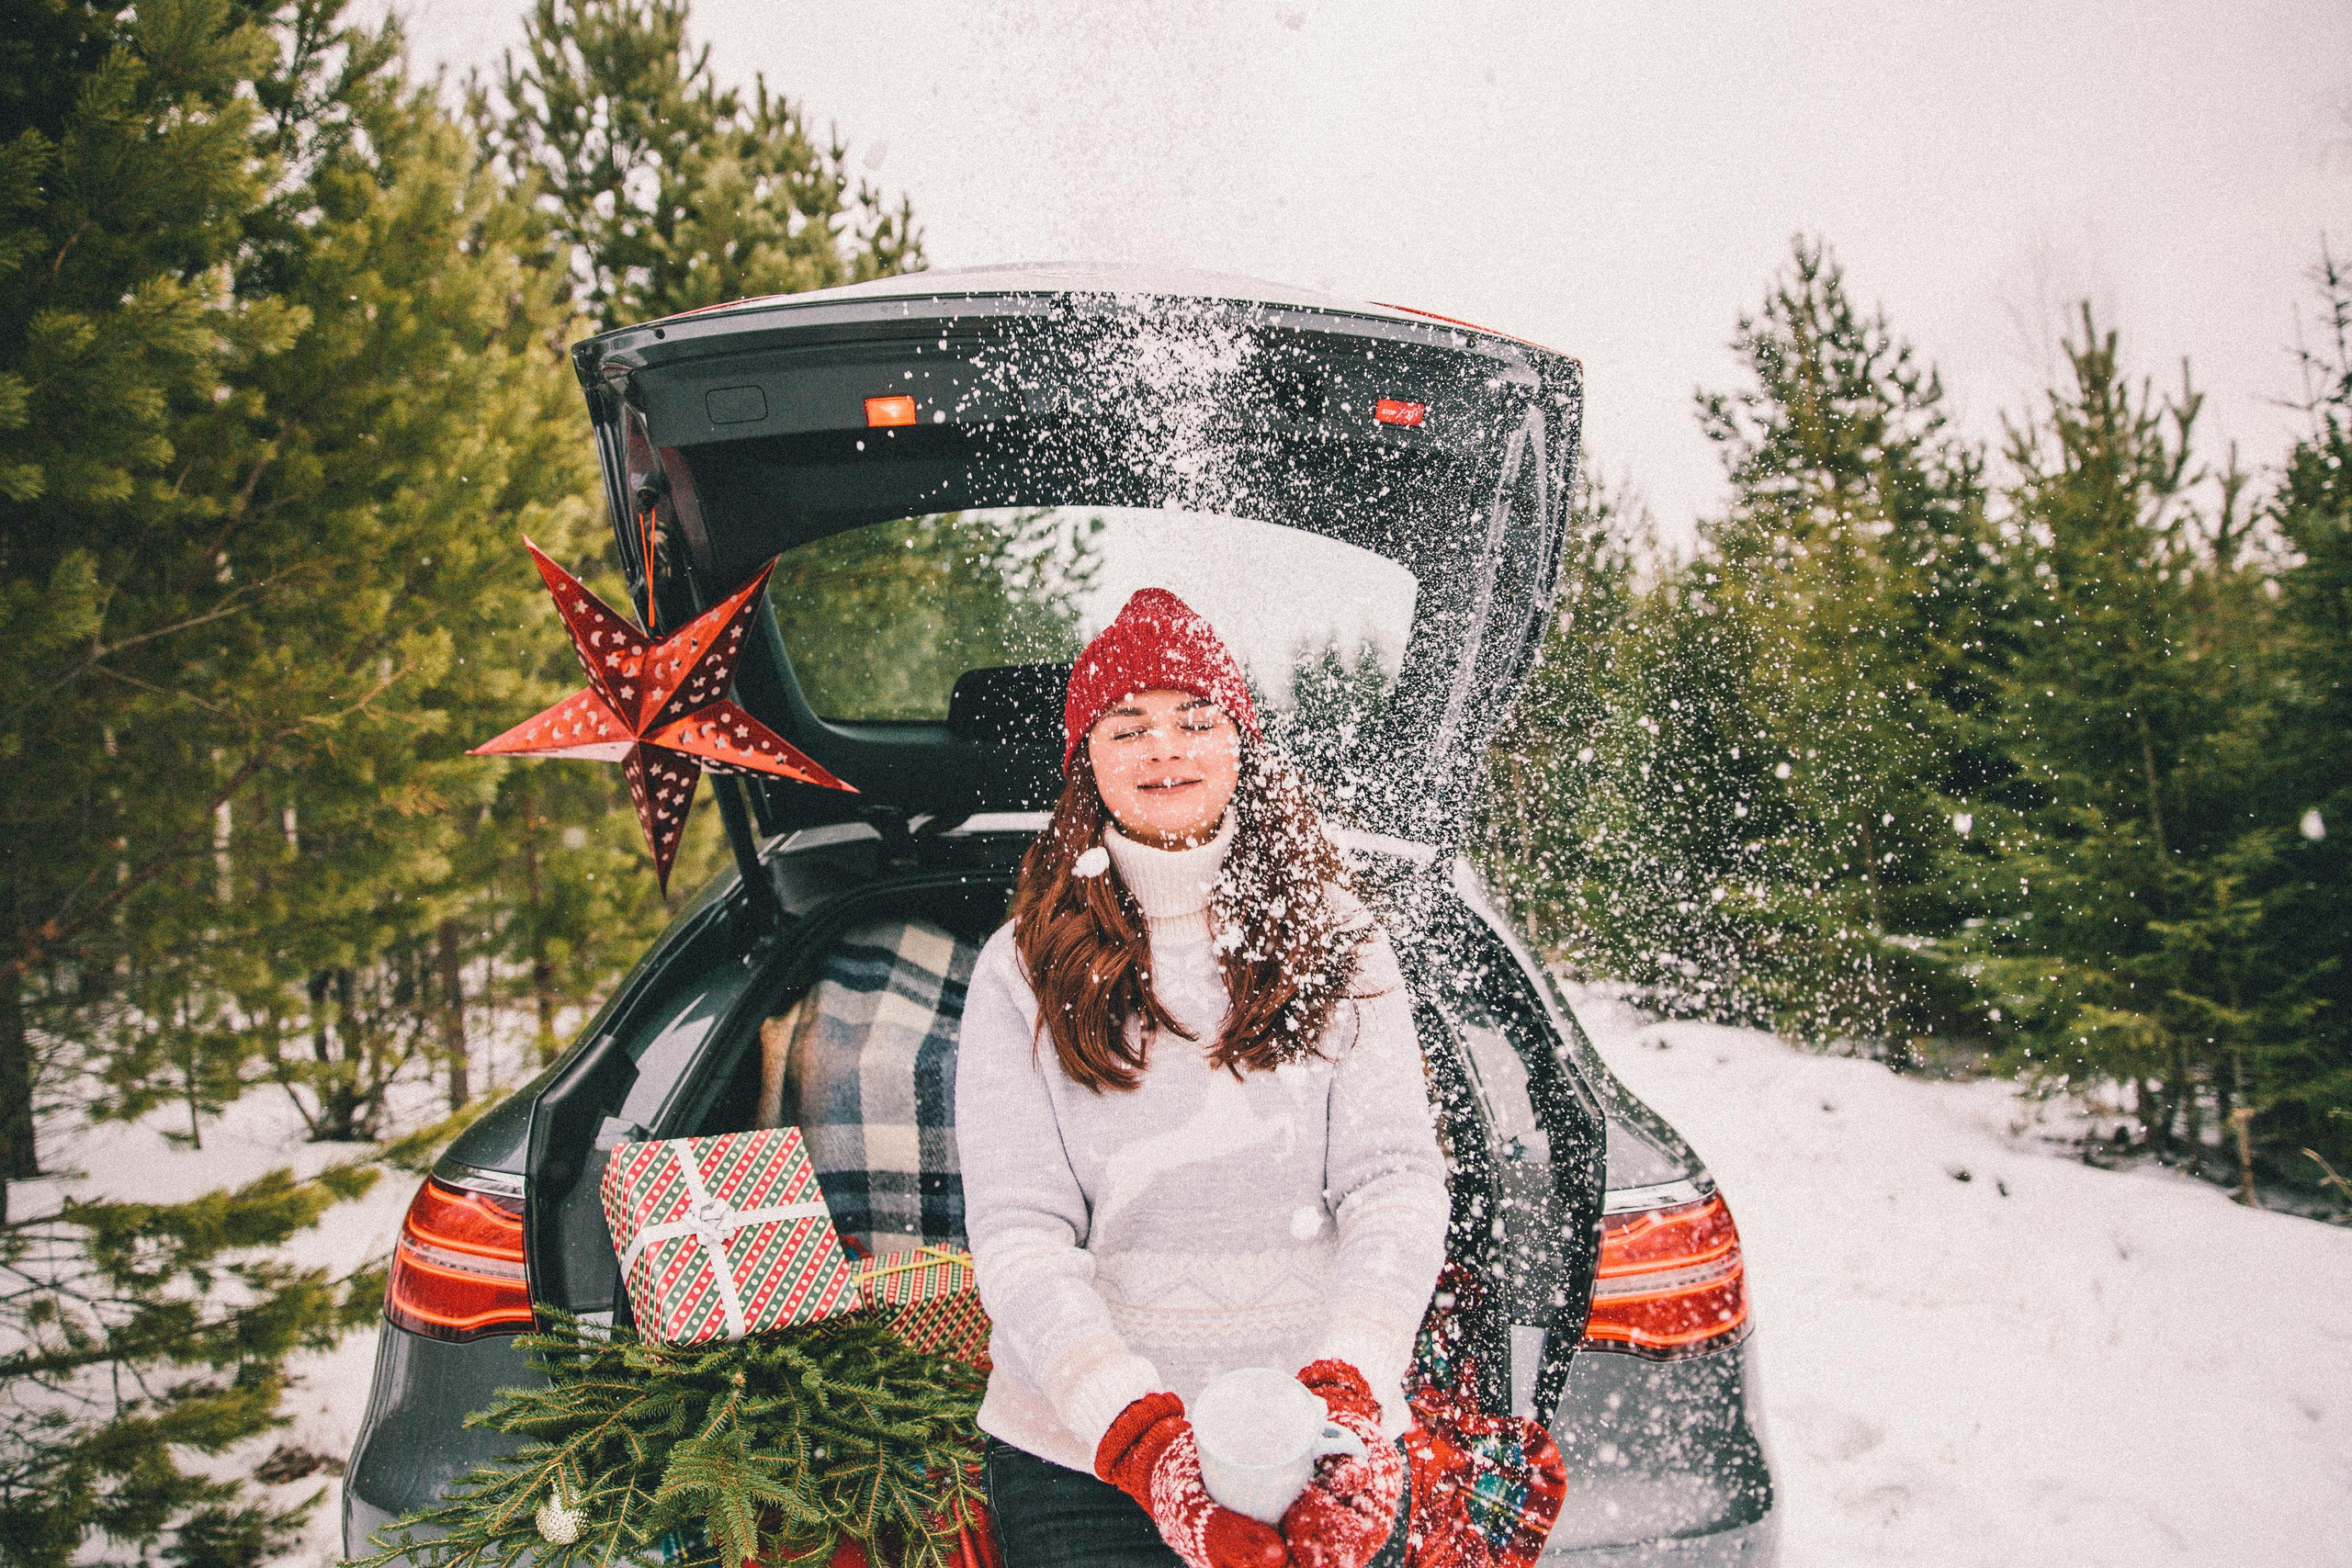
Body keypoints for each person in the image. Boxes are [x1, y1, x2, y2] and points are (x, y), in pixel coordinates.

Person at [956, 588, 1451, 1568]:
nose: (1164, 751)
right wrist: (1135, 1432)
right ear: (1085, 765)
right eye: (1126, 727)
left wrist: (1346, 1387)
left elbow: (1392, 1185)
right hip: (1078, 1453)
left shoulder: (1340, 941)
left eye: (1195, 720)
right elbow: (1019, 1229)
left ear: (1242, 745)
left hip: (1319, 1437)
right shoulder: (1018, 968)